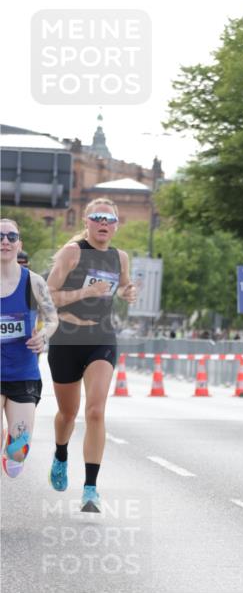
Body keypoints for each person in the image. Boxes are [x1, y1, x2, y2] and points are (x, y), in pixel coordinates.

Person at [46, 198, 137, 512]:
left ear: (115, 225)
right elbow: (48, 297)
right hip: (67, 339)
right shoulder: (72, 253)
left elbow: (123, 288)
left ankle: (90, 489)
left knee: (96, 411)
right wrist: (85, 291)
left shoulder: (119, 257)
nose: (104, 223)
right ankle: (60, 454)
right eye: (98, 217)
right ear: (86, 221)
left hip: (101, 336)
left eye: (110, 219)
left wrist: (128, 292)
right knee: (68, 414)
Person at [0, 219, 58, 477]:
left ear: (19, 243)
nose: (5, 241)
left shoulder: (34, 282)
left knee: (16, 459)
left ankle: (9, 445)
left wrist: (43, 335)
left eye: (11, 237)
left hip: (23, 374)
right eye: (0, 236)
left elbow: (53, 318)